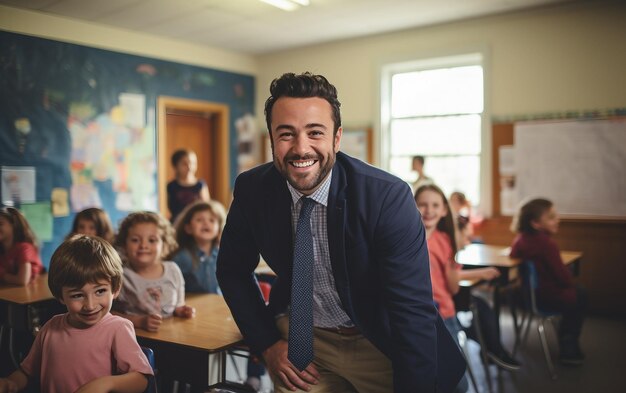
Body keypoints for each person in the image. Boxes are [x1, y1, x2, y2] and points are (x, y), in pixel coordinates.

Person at [216, 72, 465, 393]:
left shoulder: (387, 197)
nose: (301, 148)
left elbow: (411, 310)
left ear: (336, 138)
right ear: (272, 140)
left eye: (315, 132)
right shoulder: (253, 189)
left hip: (381, 340)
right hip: (304, 342)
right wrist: (266, 343)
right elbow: (232, 270)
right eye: (286, 134)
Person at [0, 235, 153, 393]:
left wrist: (106, 384)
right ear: (60, 296)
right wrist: (11, 382)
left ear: (115, 289)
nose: (90, 305)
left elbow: (141, 380)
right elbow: (27, 372)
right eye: (77, 295)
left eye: (100, 291)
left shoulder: (118, 328)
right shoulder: (50, 327)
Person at [415, 184, 520, 379]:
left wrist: (472, 273)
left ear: (444, 210)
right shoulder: (422, 239)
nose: (429, 210)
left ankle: (489, 347)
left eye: (435, 205)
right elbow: (453, 286)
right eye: (423, 204)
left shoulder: (441, 240)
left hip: (442, 314)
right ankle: (490, 347)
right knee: (444, 376)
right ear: (413, 206)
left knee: (451, 377)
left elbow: (449, 282)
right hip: (421, 316)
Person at [510, 198, 586, 366]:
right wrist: (570, 275)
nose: (557, 219)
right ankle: (569, 345)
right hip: (548, 297)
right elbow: (563, 278)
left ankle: (567, 340)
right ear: (536, 223)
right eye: (551, 217)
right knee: (580, 293)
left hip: (528, 296)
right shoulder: (547, 244)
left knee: (576, 292)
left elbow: (513, 255)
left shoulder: (520, 240)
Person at [113, 211, 195, 332]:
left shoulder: (173, 270)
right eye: (135, 240)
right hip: (138, 339)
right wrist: (140, 322)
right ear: (124, 245)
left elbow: (177, 305)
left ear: (164, 245)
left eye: (152, 240)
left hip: (172, 336)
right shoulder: (121, 276)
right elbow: (110, 314)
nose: (143, 245)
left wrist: (181, 310)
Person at [170, 200, 226, 293]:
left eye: (211, 220)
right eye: (199, 220)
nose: (206, 223)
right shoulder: (183, 257)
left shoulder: (222, 254)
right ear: (188, 228)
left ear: (219, 229)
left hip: (218, 303)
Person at [0, 207, 43, 286]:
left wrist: (3, 275)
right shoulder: (2, 250)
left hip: (28, 296)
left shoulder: (25, 248)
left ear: (13, 225)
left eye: (1, 224)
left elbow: (23, 280)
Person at [167, 149, 211, 222]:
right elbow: (170, 208)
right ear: (176, 165)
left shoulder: (200, 184)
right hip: (177, 222)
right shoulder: (171, 186)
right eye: (184, 164)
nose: (189, 167)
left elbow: (206, 206)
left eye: (192, 163)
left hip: (197, 222)